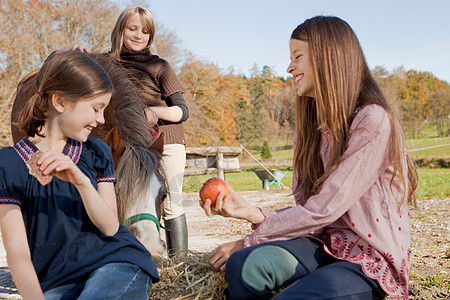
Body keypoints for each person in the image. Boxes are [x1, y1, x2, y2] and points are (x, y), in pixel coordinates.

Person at [200, 16, 418, 300]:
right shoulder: (309, 133)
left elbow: (324, 209)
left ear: (328, 58)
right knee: (243, 266)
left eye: (297, 57)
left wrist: (249, 239)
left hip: (366, 257)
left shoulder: (371, 121)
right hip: (322, 243)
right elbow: (309, 211)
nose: (289, 68)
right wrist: (253, 213)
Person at [0, 51, 159, 299]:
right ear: (60, 102)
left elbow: (109, 227)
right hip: (57, 283)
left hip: (115, 264)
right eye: (96, 109)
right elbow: (17, 250)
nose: (101, 119)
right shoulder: (9, 164)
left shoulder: (97, 153)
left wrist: (81, 181)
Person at [108, 6, 190, 257]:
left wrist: (155, 111)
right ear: (120, 30)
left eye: (145, 31)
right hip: (126, 143)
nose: (138, 35)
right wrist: (73, 51)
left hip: (164, 140)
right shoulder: (105, 64)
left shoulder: (160, 66)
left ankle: (178, 266)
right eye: (132, 29)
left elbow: (181, 111)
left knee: (172, 203)